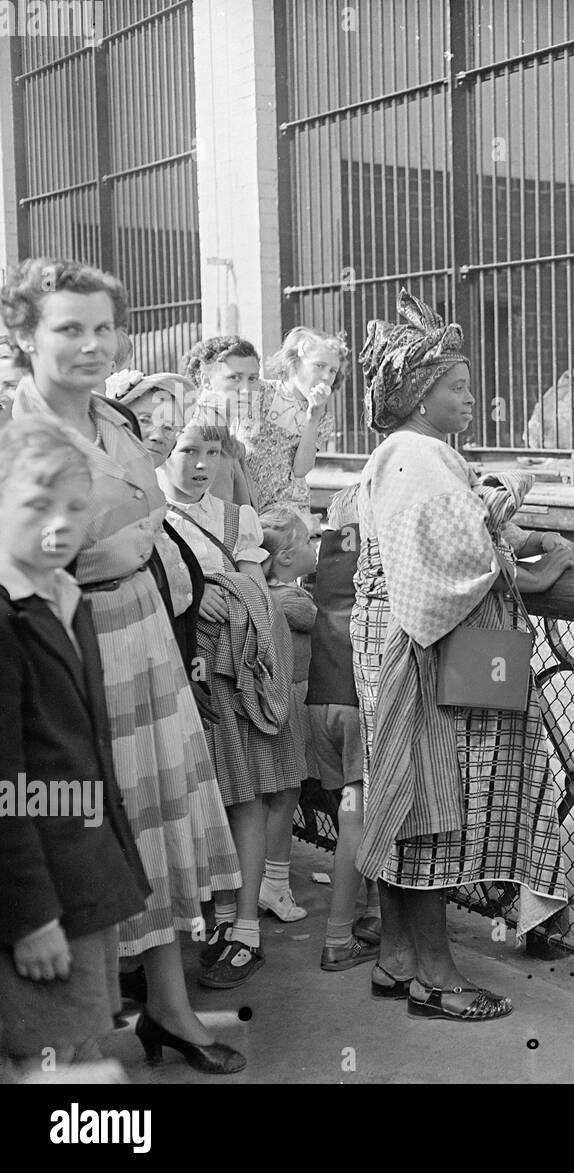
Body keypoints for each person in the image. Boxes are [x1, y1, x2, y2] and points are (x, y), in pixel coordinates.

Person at [0, 258, 244, 1074]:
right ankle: (64, 1043)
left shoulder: (119, 419)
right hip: (73, 639)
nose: (91, 344)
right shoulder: (15, 437)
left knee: (163, 815)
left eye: (104, 327)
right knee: (96, 818)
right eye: (69, 327)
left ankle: (168, 1009)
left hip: (146, 627)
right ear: (25, 334)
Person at [352, 291, 574, 1020]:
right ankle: (436, 974)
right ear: (420, 396)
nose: (471, 400)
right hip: (422, 647)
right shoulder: (417, 454)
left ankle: (396, 957)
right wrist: (510, 494)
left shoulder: (407, 453)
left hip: (405, 639)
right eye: (457, 387)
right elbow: (451, 554)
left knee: (404, 790)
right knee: (431, 803)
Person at [0, 418, 150, 1076]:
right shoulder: (9, 615)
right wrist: (29, 916)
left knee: (80, 1042)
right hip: (42, 897)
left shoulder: (63, 596)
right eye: (37, 505)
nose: (58, 526)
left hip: (85, 880)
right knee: (55, 1059)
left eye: (75, 508)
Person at [155, 421, 299, 988]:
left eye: (213, 452)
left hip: (234, 671)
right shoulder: (149, 516)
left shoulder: (236, 519)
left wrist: (231, 592)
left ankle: (244, 931)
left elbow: (256, 593)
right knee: (194, 795)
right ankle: (207, 921)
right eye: (190, 450)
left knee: (246, 793)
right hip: (177, 664)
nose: (202, 463)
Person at [309, 484, 382, 971]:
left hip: (320, 707)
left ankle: (372, 914)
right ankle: (338, 938)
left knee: (348, 816)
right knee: (358, 822)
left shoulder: (327, 558)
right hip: (357, 709)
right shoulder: (374, 556)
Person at [257, 504, 319, 923]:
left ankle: (262, 878)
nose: (317, 545)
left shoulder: (262, 596)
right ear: (285, 558)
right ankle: (275, 886)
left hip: (270, 702)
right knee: (286, 794)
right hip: (291, 703)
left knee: (270, 796)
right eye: (310, 540)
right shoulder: (293, 601)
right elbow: (321, 617)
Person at [240, 327, 348, 519]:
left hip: (286, 506)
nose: (326, 376)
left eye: (333, 371)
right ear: (295, 362)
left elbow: (300, 469)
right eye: (319, 366)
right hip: (244, 497)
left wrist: (313, 419)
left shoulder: (322, 418)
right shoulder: (261, 392)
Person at [181, 336, 259, 507]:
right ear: (206, 381)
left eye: (252, 379)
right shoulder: (204, 437)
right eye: (234, 378)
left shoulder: (226, 437)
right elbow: (219, 524)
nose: (246, 390)